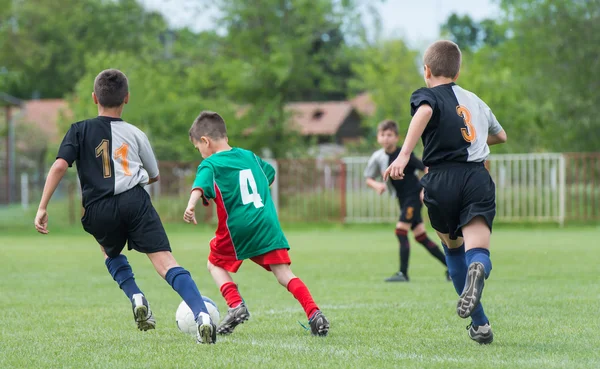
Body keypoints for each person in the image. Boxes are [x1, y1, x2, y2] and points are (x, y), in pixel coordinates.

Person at [33, 69, 217, 344]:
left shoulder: (78, 130)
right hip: (135, 201)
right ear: (127, 98)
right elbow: (154, 174)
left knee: (109, 252)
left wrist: (42, 206)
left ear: (95, 97)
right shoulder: (135, 133)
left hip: (98, 208)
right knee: (165, 262)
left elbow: (60, 165)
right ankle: (202, 313)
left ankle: (135, 295)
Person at [384, 40, 507, 344]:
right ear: (458, 70)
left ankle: (480, 325)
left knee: (453, 251)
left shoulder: (427, 95)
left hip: (440, 179)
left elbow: (425, 111)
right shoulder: (475, 101)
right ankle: (478, 267)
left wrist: (403, 155)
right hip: (477, 177)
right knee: (478, 250)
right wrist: (472, 144)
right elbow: (501, 136)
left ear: (426, 70)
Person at [183, 111, 329, 337]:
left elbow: (199, 186)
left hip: (238, 227)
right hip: (267, 223)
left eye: (198, 148)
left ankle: (235, 305)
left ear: (206, 141)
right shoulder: (249, 156)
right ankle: (314, 313)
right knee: (284, 274)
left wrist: (191, 204)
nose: (200, 154)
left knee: (215, 264)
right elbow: (268, 175)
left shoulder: (210, 164)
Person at [364, 120, 449, 282]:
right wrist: (377, 186)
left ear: (397, 138)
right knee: (421, 237)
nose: (386, 138)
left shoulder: (404, 155)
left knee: (400, 231)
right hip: (402, 200)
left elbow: (427, 169)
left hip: (413, 197)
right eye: (383, 135)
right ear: (378, 138)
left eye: (390, 135)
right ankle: (452, 267)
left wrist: (425, 189)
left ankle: (403, 274)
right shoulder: (378, 157)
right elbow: (368, 178)